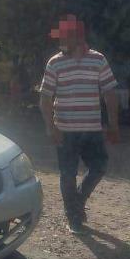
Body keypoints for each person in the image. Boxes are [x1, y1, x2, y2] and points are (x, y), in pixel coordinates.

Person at [39, 15, 121, 234]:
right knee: (67, 173)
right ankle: (73, 217)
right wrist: (50, 127)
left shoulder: (98, 60)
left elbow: (110, 93)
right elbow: (45, 98)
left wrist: (113, 124)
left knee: (99, 167)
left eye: (65, 36)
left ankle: (76, 202)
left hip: (92, 129)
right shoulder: (55, 62)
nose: (60, 41)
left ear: (77, 37)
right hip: (65, 131)